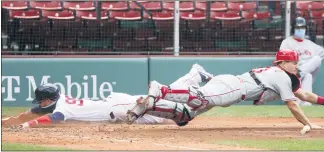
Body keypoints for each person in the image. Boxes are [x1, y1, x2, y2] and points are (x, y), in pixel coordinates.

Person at [126, 49, 324, 132]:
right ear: (283, 64)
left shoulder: (285, 76)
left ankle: (150, 105)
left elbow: (303, 95)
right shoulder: (281, 75)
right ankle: (162, 90)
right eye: (293, 62)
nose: (296, 65)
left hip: (234, 87)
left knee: (186, 115)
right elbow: (293, 104)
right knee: (200, 97)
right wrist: (308, 124)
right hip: (233, 88)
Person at [2, 64, 214, 128]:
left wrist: (27, 125)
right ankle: (195, 78)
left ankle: (194, 75)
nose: (40, 104)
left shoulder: (62, 108)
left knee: (166, 105)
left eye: (42, 100)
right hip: (117, 109)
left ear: (48, 99)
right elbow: (33, 112)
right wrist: (7, 122)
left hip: (120, 106)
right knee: (166, 114)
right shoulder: (59, 101)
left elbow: (52, 118)